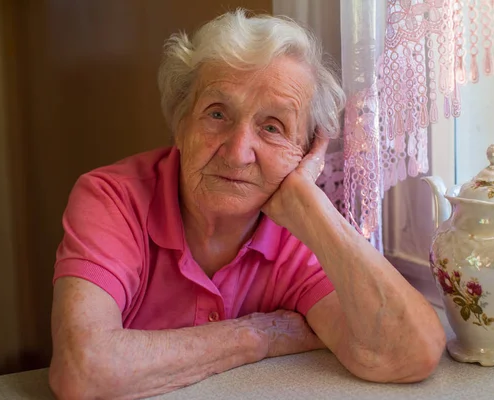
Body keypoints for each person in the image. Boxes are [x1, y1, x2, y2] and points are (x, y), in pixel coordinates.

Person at [48, 9, 445, 400]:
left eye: (272, 127)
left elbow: (411, 353)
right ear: (181, 123)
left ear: (306, 152)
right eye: (217, 113)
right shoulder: (112, 200)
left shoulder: (299, 234)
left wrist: (314, 209)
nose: (238, 153)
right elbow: (83, 371)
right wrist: (257, 336)